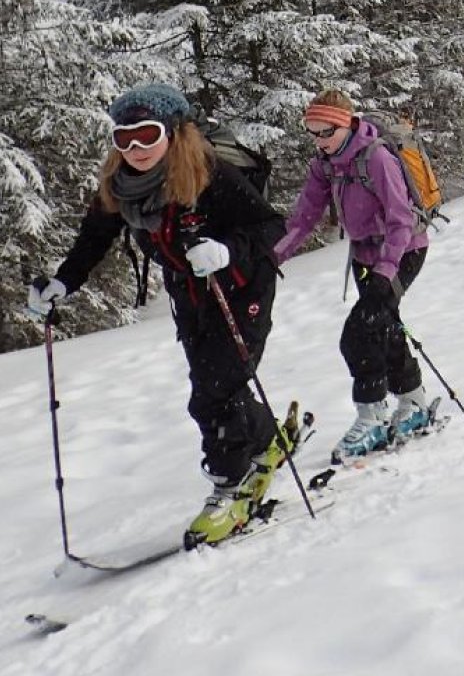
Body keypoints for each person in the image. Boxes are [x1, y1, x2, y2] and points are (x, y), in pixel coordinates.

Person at [26, 82, 299, 545]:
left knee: (215, 390)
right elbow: (94, 238)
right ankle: (268, 440)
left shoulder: (207, 172)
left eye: (147, 135)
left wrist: (226, 250)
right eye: (124, 138)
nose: (136, 148)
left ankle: (230, 486)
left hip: (241, 287)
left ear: (172, 133)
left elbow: (272, 225)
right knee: (213, 385)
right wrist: (63, 283)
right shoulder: (121, 186)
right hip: (189, 295)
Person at [273, 89, 438, 463]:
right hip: (365, 255)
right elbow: (305, 216)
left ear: (346, 124)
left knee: (360, 333)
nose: (319, 140)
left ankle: (372, 415)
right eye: (312, 132)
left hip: (403, 251)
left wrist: (386, 271)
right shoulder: (325, 164)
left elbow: (400, 219)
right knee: (383, 326)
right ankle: (412, 401)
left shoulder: (377, 158)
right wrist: (273, 256)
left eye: (325, 131)